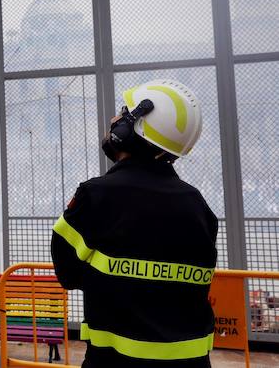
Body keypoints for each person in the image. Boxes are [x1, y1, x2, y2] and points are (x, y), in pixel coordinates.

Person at [51, 80, 218, 367]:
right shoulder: (198, 204)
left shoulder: (96, 195)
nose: (115, 119)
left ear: (135, 125)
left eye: (122, 112)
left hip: (114, 361)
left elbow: (67, 273)